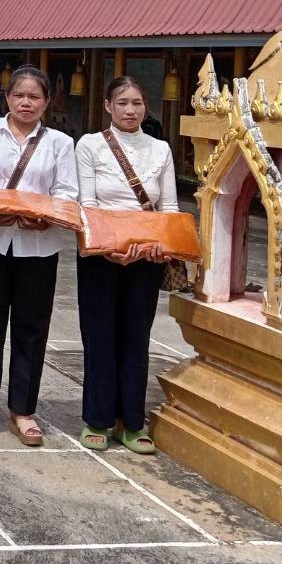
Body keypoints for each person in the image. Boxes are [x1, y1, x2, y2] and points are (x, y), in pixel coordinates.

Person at [0, 64, 78, 447]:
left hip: (38, 245)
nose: (26, 102)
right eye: (20, 95)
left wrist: (44, 218)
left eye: (35, 96)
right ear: (6, 97)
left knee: (31, 327)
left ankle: (23, 410)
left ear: (46, 101)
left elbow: (67, 193)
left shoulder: (60, 142)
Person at [75, 75, 178, 454]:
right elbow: (86, 204)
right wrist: (107, 248)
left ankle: (132, 422)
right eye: (122, 103)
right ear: (107, 106)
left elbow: (168, 206)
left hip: (146, 257)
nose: (130, 110)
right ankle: (98, 418)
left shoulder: (161, 150)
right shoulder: (90, 146)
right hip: (102, 255)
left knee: (136, 338)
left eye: (136, 103)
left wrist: (159, 245)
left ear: (145, 107)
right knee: (100, 336)